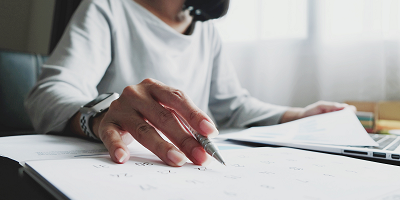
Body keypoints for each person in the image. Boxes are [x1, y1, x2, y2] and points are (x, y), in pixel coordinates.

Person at [25, 0, 354, 167]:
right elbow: (48, 94)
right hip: (127, 164)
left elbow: (233, 105)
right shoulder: (108, 8)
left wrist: (299, 115)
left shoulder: (205, 29)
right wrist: (101, 115)